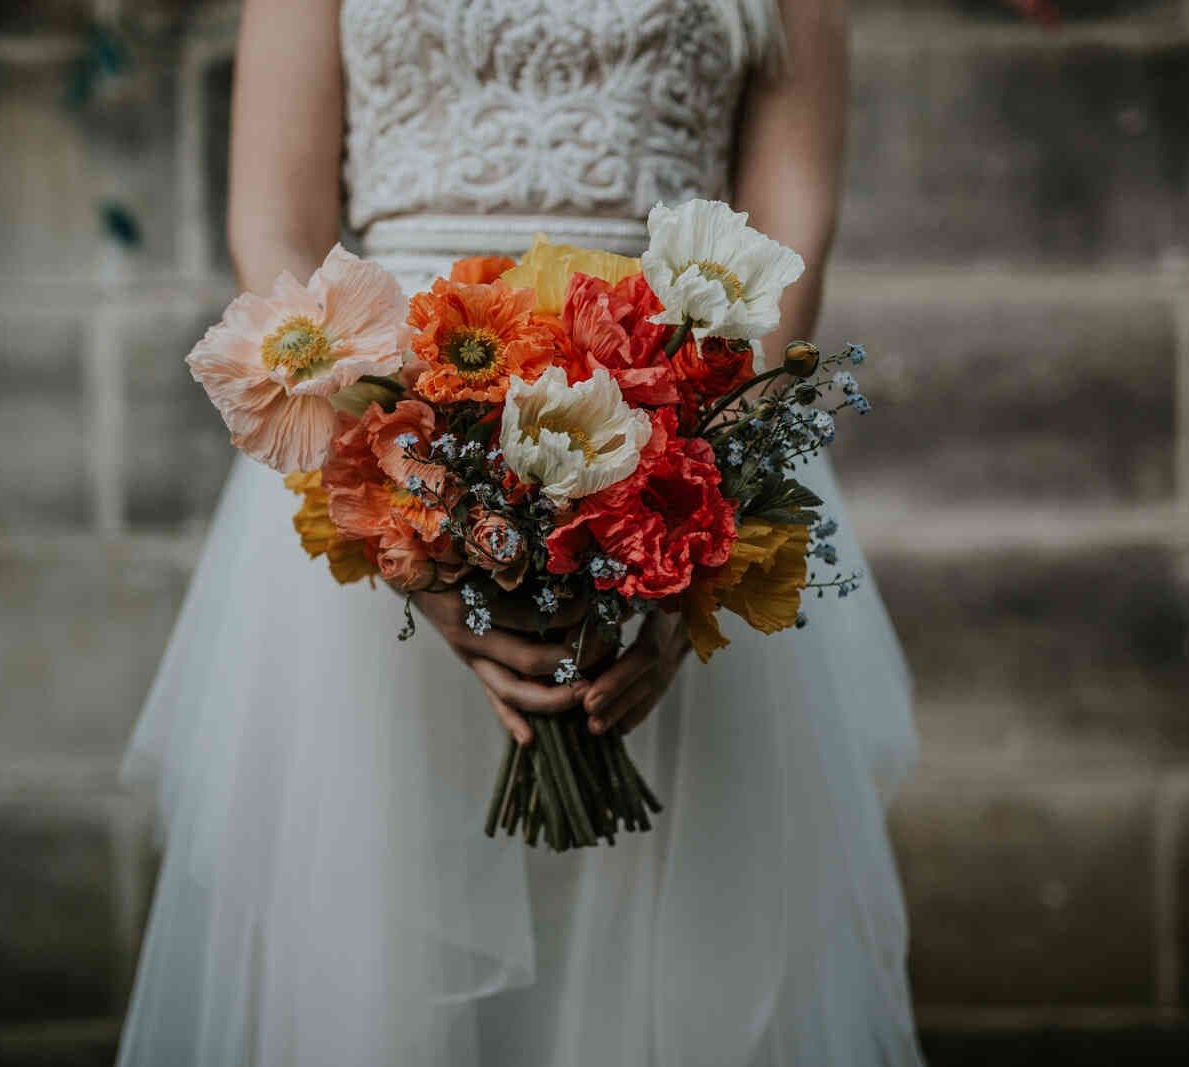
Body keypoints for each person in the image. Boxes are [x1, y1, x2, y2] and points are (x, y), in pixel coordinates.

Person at [118, 2, 922, 1063]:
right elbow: (273, 222)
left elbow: (786, 234)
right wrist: (411, 512)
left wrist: (686, 547)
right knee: (374, 934)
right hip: (389, 425)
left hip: (672, 417)